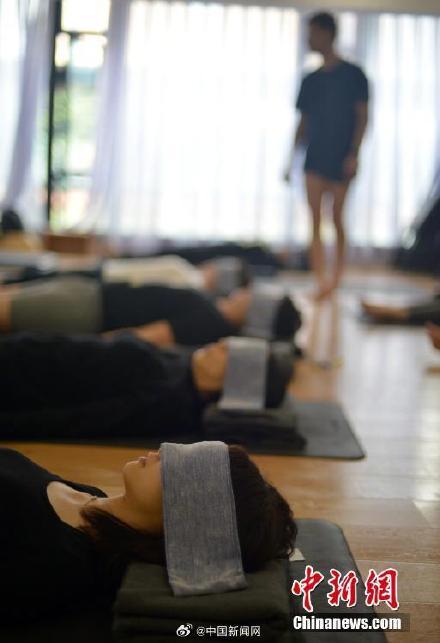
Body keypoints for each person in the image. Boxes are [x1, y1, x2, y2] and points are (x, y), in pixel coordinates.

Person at [0, 445, 296, 623]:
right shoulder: (91, 497)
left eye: (180, 464)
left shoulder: (58, 558)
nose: (163, 450)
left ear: (186, 515)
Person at [0, 334, 290, 440]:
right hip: (21, 355)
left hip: (17, 385)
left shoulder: (167, 400)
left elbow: (80, 420)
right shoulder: (181, 365)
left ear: (235, 380)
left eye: (231, 353)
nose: (222, 343)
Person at [284, 12, 369, 300]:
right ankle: (320, 279)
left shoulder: (354, 75)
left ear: (327, 33)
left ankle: (337, 278)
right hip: (315, 156)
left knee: (337, 217)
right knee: (315, 220)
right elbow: (303, 123)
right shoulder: (310, 79)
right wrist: (291, 159)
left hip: (342, 156)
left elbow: (362, 117)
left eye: (312, 33)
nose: (308, 39)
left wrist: (354, 153)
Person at [0, 278, 301, 346]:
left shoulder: (209, 323)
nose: (248, 291)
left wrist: (79, 350)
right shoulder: (213, 309)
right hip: (89, 294)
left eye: (256, 297)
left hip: (84, 311)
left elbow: (142, 338)